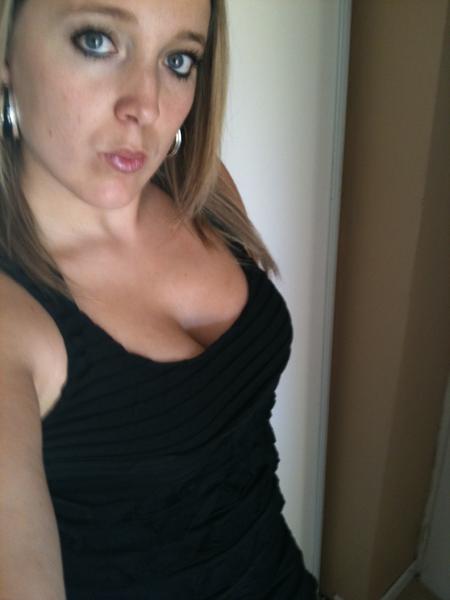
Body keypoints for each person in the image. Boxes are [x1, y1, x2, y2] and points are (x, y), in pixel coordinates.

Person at [0, 0, 318, 598]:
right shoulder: (10, 318)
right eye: (96, 41)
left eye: (178, 60)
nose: (145, 106)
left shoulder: (203, 188)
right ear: (7, 49)